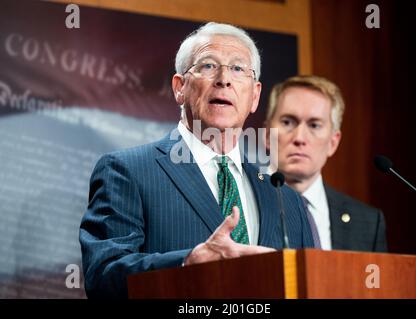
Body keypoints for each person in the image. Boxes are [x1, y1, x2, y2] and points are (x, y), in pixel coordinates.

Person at [79, 23, 314, 299]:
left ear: (255, 96)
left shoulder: (286, 199)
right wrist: (187, 263)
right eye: (208, 66)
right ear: (179, 88)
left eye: (238, 69)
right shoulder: (127, 172)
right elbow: (103, 277)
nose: (224, 79)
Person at [265, 75, 387, 252]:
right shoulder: (241, 204)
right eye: (288, 122)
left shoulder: (368, 223)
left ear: (333, 142)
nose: (299, 138)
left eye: (314, 125)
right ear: (268, 134)